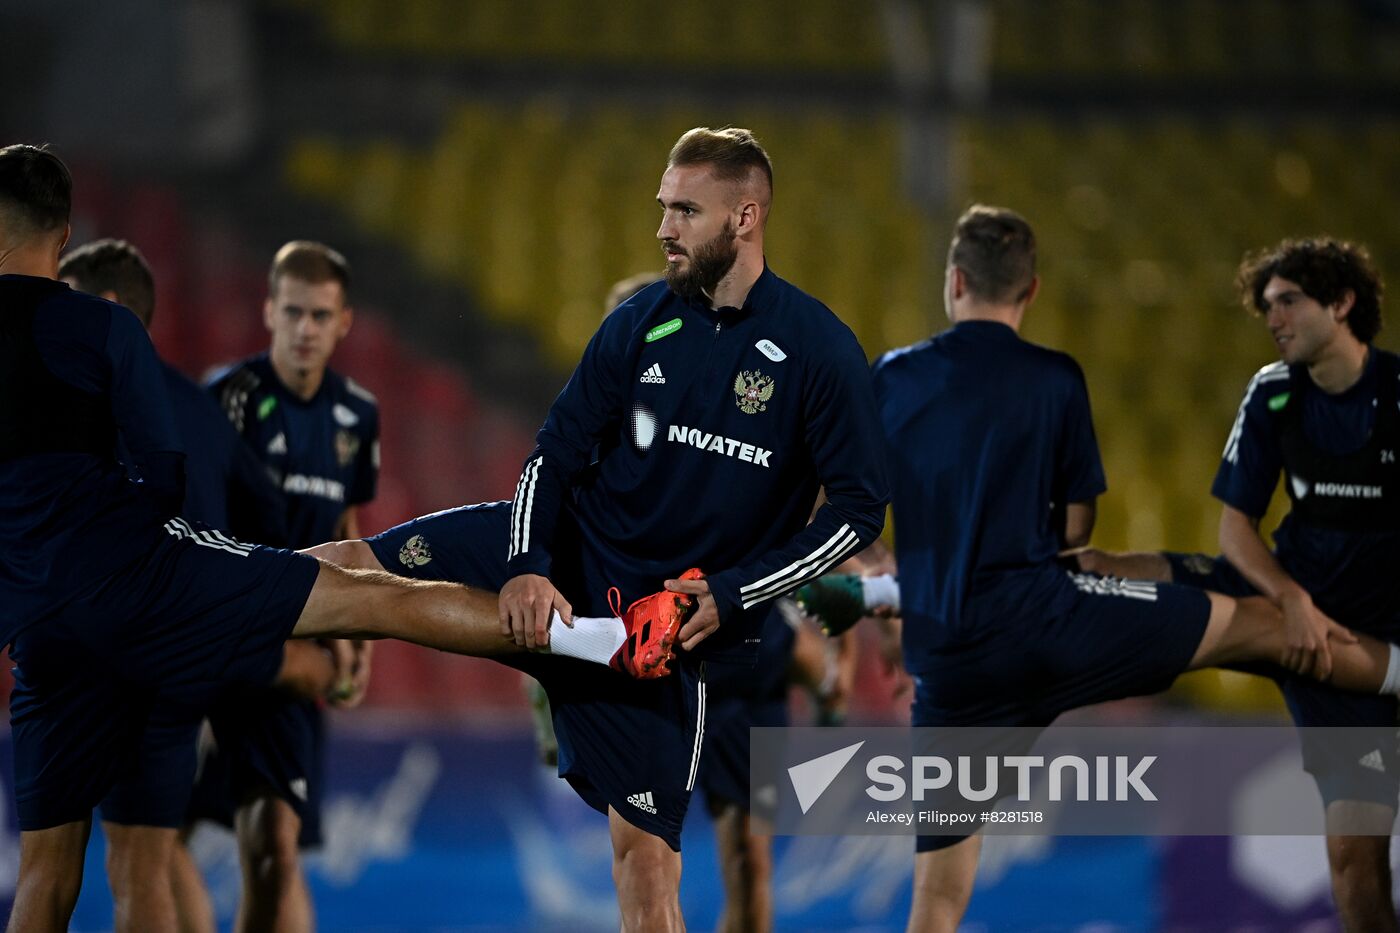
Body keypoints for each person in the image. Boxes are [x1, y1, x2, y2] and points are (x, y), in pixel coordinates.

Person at [0, 143, 681, 933]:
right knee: (366, 597)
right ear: (62, 238)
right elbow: (161, 474)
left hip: (40, 628)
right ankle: (598, 643)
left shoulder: (345, 411)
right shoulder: (104, 326)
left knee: (47, 875)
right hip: (141, 582)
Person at [309, 126, 890, 930]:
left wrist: (730, 595)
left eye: (685, 210)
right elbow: (554, 450)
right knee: (353, 561)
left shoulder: (820, 351)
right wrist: (524, 561)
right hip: (572, 559)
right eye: (663, 207)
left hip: (665, 633)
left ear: (746, 217)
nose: (664, 228)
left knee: (649, 868)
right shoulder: (638, 322)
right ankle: (196, 589)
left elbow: (858, 512)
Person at [868, 206, 1400, 933]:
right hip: (1058, 625)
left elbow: (833, 502)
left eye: (1288, 302)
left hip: (955, 666)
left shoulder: (890, 376)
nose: (1274, 316)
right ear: (1032, 291)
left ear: (954, 280)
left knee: (936, 894)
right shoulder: (1058, 377)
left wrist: (888, 570)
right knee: (1265, 624)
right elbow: (1077, 528)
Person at [1076, 237, 1400, 932]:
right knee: (1102, 568)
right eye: (1267, 306)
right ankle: (1005, 608)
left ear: (1343, 303)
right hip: (1288, 596)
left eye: (1289, 302)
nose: (1273, 318)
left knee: (1355, 862)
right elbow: (1235, 532)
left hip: (1370, 638)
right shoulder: (1275, 391)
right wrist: (1292, 600)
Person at [57, 237, 351, 933]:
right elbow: (271, 527)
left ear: (104, 312)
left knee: (138, 860)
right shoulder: (203, 411)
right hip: (201, 654)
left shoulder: (75, 407)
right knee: (157, 857)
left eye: (57, 304)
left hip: (129, 650)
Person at [186, 240, 377, 933]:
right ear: (268, 310)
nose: (304, 328)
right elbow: (194, 522)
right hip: (220, 643)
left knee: (273, 850)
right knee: (155, 835)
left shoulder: (358, 416)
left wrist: (358, 636)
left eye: (320, 315)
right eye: (292, 311)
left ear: (344, 322)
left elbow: (350, 525)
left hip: (293, 660)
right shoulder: (225, 399)